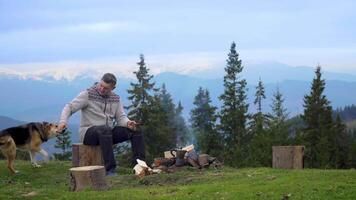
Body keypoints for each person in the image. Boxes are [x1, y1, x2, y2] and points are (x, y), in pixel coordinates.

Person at [58, 73, 145, 176]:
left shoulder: (116, 99)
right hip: (88, 133)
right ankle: (110, 170)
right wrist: (63, 121)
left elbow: (121, 117)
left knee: (136, 131)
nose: (102, 89)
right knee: (104, 129)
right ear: (100, 81)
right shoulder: (88, 94)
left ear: (113, 88)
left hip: (107, 133)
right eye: (101, 85)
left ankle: (139, 167)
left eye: (106, 88)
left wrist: (128, 123)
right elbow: (69, 107)